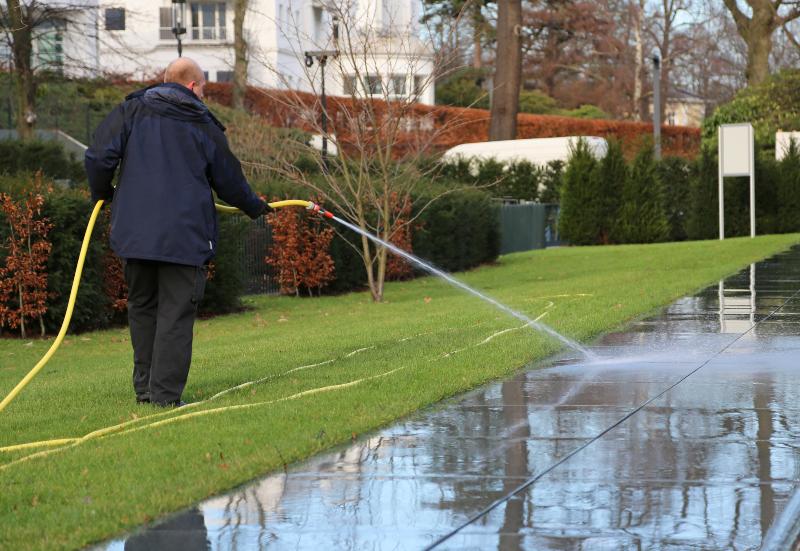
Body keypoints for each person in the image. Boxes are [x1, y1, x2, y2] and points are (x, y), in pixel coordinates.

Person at [86, 58, 269, 407]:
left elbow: (98, 157)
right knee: (174, 312)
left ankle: (145, 390)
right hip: (184, 237)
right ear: (192, 86)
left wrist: (103, 194)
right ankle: (165, 397)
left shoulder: (132, 110)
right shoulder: (201, 122)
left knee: (142, 307)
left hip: (133, 235)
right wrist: (255, 207)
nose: (204, 96)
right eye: (203, 88)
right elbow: (229, 181)